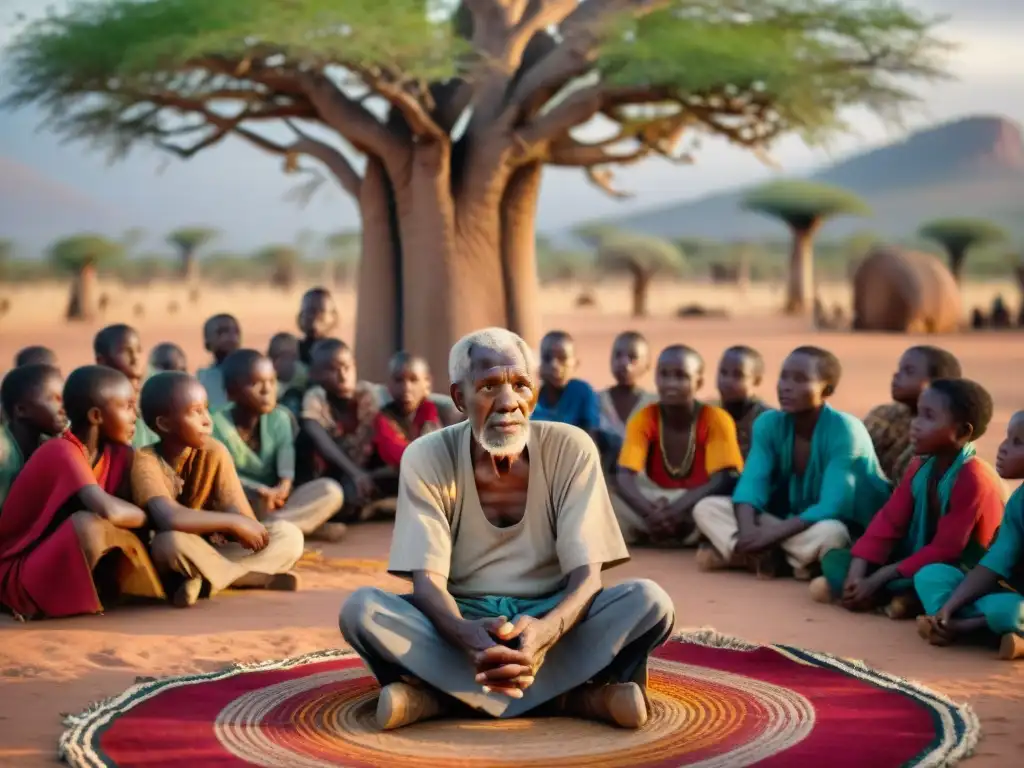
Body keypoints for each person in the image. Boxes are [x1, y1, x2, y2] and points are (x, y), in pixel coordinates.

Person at [340, 327, 674, 731]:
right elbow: (427, 584)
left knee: (649, 601)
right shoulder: (425, 456)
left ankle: (436, 699)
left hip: (555, 618)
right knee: (362, 610)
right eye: (489, 386)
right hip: (460, 620)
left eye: (520, 385)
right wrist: (466, 637)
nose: (508, 402)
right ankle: (578, 697)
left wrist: (547, 632)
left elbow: (587, 579)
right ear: (460, 398)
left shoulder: (572, 448)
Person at [693, 346, 890, 579]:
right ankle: (775, 559)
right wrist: (747, 532)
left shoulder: (846, 431)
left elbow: (832, 506)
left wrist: (768, 537)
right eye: (784, 376)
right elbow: (751, 485)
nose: (786, 386)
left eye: (800, 379)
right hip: (790, 523)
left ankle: (751, 556)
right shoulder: (769, 424)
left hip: (843, 526)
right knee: (708, 508)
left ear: (826, 389)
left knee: (832, 534)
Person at [812, 379, 1003, 618]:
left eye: (929, 417)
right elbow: (889, 521)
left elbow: (947, 549)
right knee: (835, 559)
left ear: (963, 432)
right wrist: (857, 572)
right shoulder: (919, 466)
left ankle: (894, 597)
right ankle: (890, 598)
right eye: (918, 414)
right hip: (915, 557)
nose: (915, 425)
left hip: (961, 567)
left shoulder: (974, 478)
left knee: (929, 578)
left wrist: (879, 577)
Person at [0, 366, 163, 620]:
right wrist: (154, 516)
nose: (135, 416)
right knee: (88, 526)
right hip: (18, 573)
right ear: (96, 415)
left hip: (60, 560)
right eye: (127, 406)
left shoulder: (119, 454)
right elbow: (108, 509)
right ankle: (45, 603)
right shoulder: (61, 450)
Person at [132, 372, 304, 608]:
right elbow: (169, 517)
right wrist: (229, 523)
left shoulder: (214, 451)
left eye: (207, 409)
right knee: (168, 544)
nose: (208, 420)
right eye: (196, 412)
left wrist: (235, 526)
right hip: (180, 552)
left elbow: (245, 520)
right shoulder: (145, 460)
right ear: (164, 424)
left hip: (213, 552)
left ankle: (208, 580)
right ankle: (251, 576)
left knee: (289, 535)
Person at [914, 410, 1024, 660]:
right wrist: (948, 608)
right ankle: (968, 626)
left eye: (1018, 443)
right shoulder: (1019, 501)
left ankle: (961, 629)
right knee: (930, 575)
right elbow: (995, 562)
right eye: (1008, 438)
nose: (1003, 448)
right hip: (1007, 591)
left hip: (1016, 604)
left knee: (1009, 611)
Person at [613, 345, 742, 548]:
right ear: (655, 378)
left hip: (696, 502)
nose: (670, 383)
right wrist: (650, 511)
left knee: (713, 508)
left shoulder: (716, 418)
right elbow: (625, 475)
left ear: (698, 382)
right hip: (654, 502)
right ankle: (662, 529)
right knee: (606, 497)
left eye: (681, 377)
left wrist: (675, 510)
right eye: (664, 375)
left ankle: (657, 531)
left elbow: (722, 478)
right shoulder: (644, 417)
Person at [213, 349, 346, 542]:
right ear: (231, 392)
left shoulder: (281, 417)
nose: (267, 390)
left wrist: (282, 487)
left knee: (331, 491)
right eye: (255, 383)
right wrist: (258, 490)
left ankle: (265, 531)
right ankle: (296, 529)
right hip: (239, 501)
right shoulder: (214, 424)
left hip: (275, 503)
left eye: (272, 381)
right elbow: (220, 477)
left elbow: (286, 469)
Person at [297, 338, 388, 520]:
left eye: (348, 367)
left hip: (365, 468)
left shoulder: (367, 393)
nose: (343, 375)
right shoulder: (316, 397)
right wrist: (355, 473)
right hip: (333, 474)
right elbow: (316, 434)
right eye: (333, 369)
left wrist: (363, 475)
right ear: (315, 374)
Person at [863, 346, 961, 486]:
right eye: (899, 369)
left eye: (909, 371)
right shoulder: (882, 414)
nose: (896, 375)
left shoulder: (942, 433)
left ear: (937, 383)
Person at [0, 364, 67, 510]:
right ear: (21, 410)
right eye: (53, 400)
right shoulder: (3, 452)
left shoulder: (48, 444)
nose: (64, 408)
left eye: (64, 398)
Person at [596, 331, 656, 473]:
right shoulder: (595, 401)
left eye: (633, 357)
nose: (624, 363)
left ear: (647, 365)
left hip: (642, 485)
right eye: (618, 356)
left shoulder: (655, 404)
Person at [373, 351, 443, 470]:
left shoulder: (441, 411)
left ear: (427, 383)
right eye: (398, 380)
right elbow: (396, 454)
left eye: (413, 380)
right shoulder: (382, 417)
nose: (406, 388)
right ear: (389, 384)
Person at [94, 323, 157, 449]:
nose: (135, 358)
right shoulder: (101, 405)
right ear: (101, 361)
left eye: (138, 350)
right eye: (125, 352)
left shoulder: (153, 395)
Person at [531, 331, 600, 439]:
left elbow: (591, 437)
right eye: (547, 358)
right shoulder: (530, 396)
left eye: (562, 358)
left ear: (575, 364)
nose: (554, 365)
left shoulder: (582, 392)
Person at [715, 345, 770, 459]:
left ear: (756, 381)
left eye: (738, 375)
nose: (727, 381)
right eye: (723, 373)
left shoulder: (767, 421)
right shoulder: (709, 414)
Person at [196, 313, 242, 412]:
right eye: (222, 332)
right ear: (207, 344)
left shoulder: (253, 375)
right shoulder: (202, 381)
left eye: (236, 332)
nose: (231, 337)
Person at [297, 288, 339, 366]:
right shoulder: (291, 353)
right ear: (300, 316)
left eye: (321, 311)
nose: (314, 316)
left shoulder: (339, 354)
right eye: (309, 311)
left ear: (333, 317)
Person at [268, 332, 307, 416]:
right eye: (280, 356)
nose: (287, 360)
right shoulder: (266, 376)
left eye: (293, 356)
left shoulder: (302, 372)